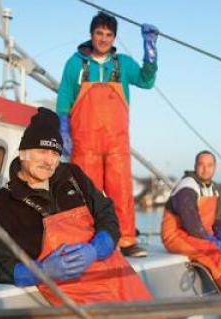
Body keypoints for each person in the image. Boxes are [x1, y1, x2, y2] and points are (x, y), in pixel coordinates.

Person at [0, 107, 153, 305]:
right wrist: (42, 271)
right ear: (23, 153)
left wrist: (96, 250)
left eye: (55, 153)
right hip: (72, 291)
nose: (49, 160)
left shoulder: (73, 175)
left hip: (118, 276)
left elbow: (107, 214)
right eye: (42, 151)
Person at [56, 12, 159, 257]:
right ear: (91, 34)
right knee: (85, 192)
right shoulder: (75, 63)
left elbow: (146, 80)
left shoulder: (122, 64)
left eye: (108, 35)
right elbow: (64, 98)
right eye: (99, 33)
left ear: (114, 38)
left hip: (116, 142)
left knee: (120, 190)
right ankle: (87, 240)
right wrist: (63, 128)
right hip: (84, 142)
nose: (103, 39)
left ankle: (125, 241)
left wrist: (151, 50)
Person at [161, 150, 221, 293]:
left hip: (203, 236)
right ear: (195, 166)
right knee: (215, 255)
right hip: (177, 235)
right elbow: (191, 223)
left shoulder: (215, 190)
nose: (205, 169)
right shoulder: (187, 187)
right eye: (201, 165)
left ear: (215, 168)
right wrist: (211, 240)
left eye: (209, 165)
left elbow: (219, 219)